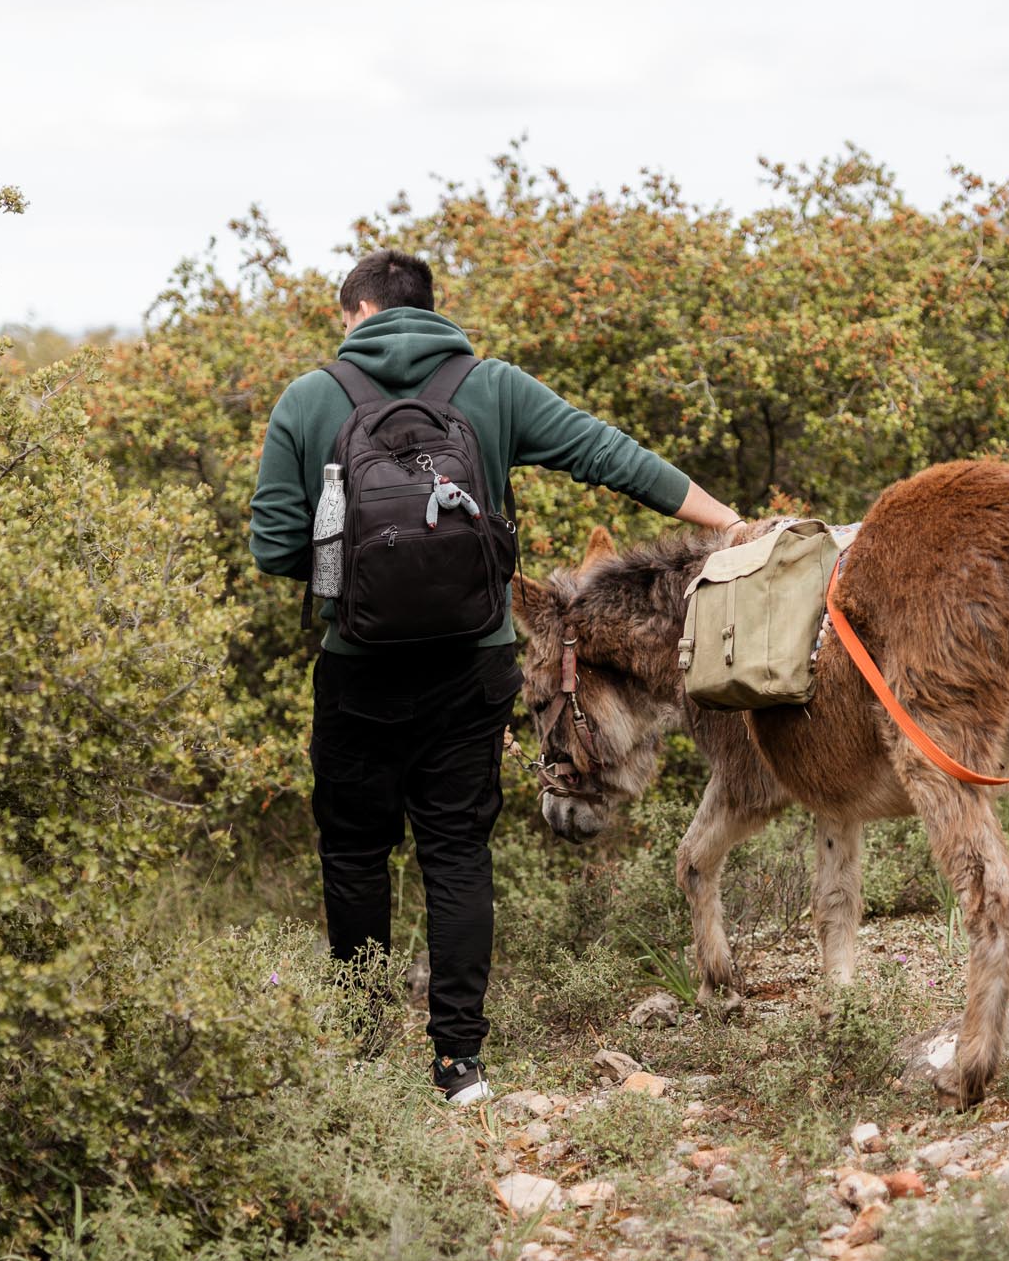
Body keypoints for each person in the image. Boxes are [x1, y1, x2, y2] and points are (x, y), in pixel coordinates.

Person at [249, 248, 742, 1104]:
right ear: (428, 311)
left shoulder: (309, 397)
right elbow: (608, 454)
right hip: (471, 663)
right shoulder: (494, 386)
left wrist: (355, 560)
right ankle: (459, 1066)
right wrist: (729, 520)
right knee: (456, 854)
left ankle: (365, 1051)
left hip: (356, 669)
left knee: (357, 855)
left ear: (357, 313)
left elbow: (272, 547)